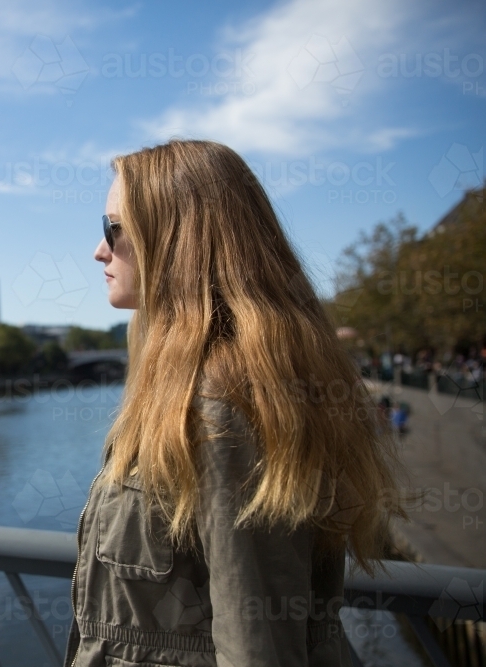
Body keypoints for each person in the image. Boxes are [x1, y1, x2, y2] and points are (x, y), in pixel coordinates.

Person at [67, 140, 404, 667]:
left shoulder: (219, 405)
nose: (99, 250)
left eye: (114, 228)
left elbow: (257, 647)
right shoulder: (188, 390)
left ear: (177, 240)